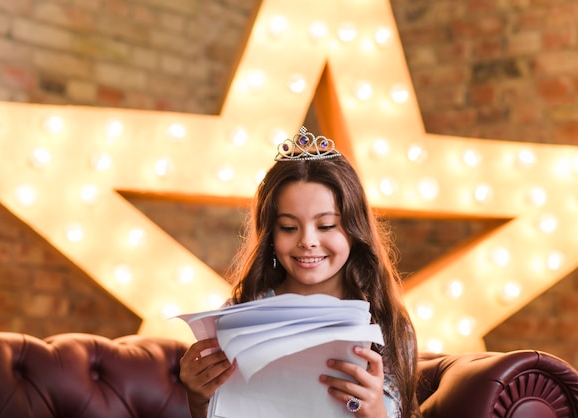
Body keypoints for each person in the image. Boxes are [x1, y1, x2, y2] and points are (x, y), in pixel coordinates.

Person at [179, 127, 422, 418]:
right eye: (289, 227)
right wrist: (198, 399)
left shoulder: (389, 324)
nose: (307, 241)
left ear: (354, 230)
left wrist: (373, 412)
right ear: (271, 233)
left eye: (326, 226)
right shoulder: (240, 313)